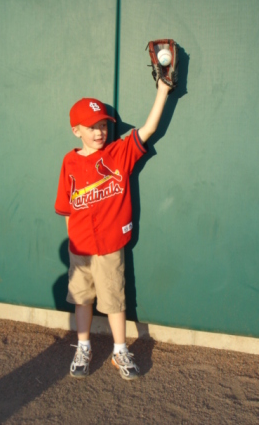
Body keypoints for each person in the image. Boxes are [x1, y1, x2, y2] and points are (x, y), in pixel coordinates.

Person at [55, 80, 171, 380]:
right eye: (92, 126)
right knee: (82, 299)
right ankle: (83, 346)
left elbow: (148, 129)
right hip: (80, 249)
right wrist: (73, 243)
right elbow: (66, 208)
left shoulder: (119, 153)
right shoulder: (69, 162)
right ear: (76, 130)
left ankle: (120, 350)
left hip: (110, 246)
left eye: (104, 125)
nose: (99, 132)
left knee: (115, 301)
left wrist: (162, 91)